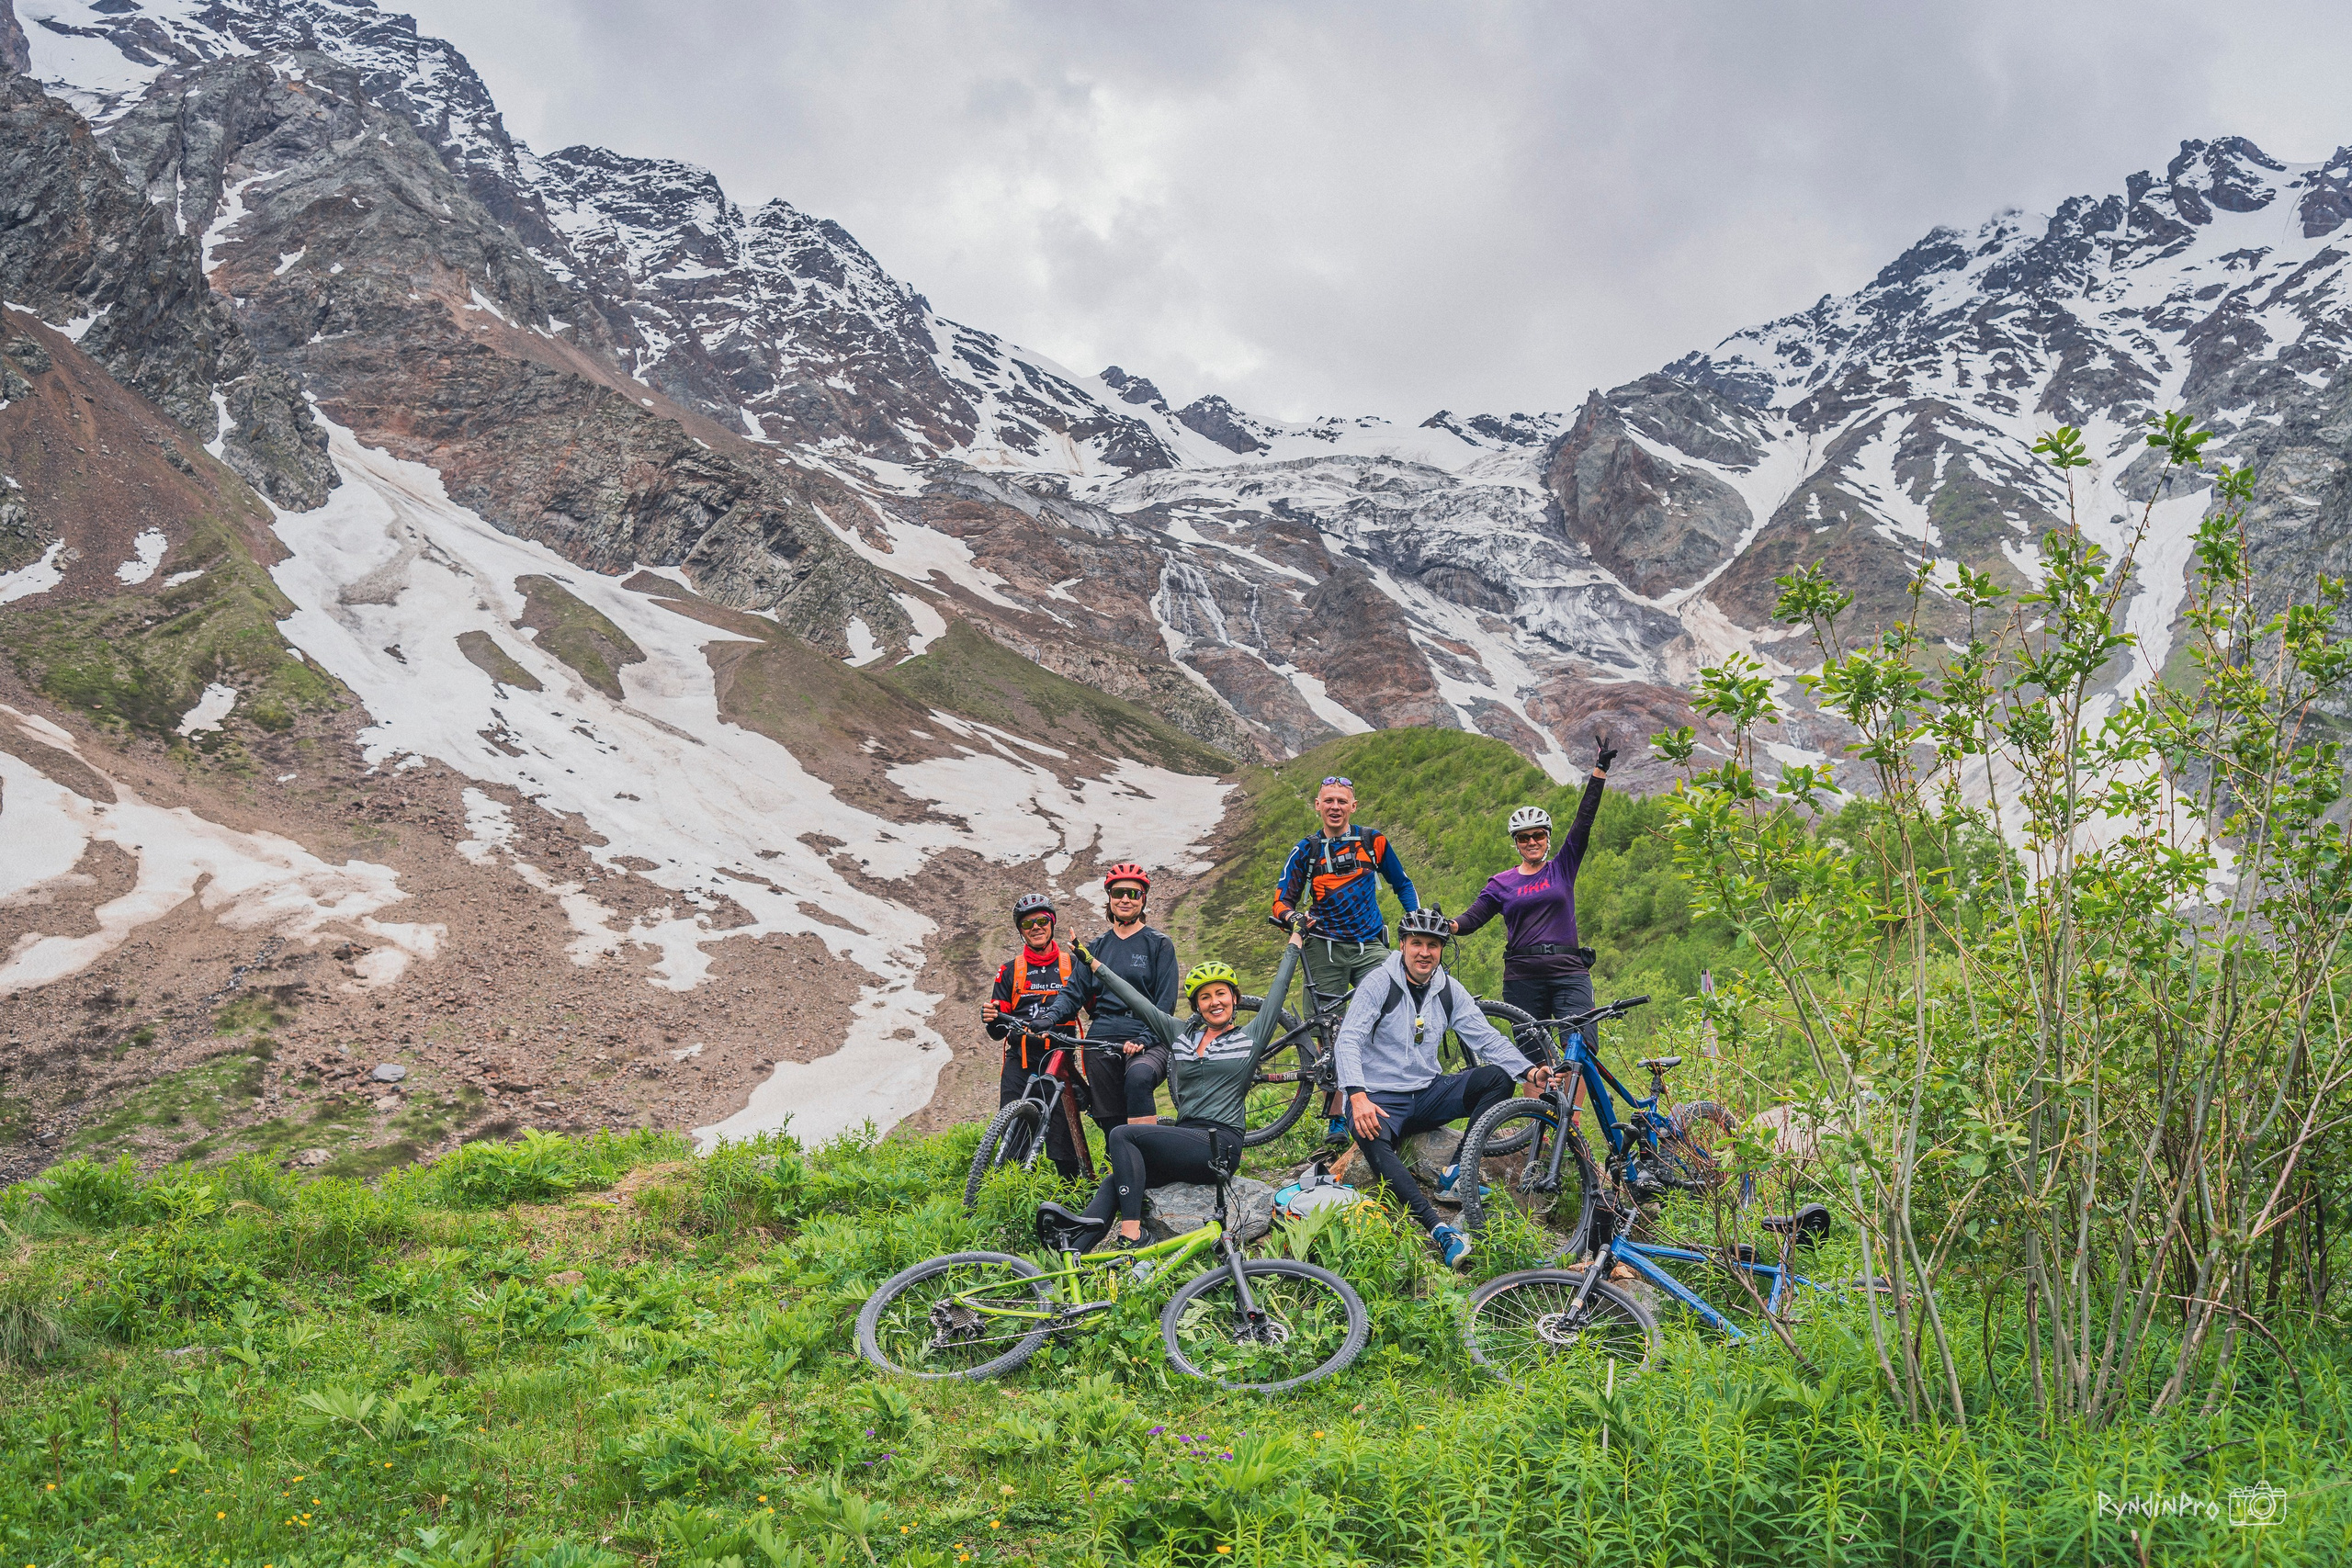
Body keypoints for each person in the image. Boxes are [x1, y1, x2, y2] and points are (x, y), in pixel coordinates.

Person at [1056, 924, 1307, 1249]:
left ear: (1235, 998)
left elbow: (1279, 987)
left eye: (1221, 994)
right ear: (1196, 1006)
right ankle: (1073, 1251)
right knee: (1117, 1179)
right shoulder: (1181, 1035)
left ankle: (1132, 1234)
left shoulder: (1250, 1038)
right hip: (1186, 1141)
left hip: (1220, 1145)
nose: (1214, 1002)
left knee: (1122, 1134)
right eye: (1205, 997)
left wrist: (1296, 939)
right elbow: (1133, 997)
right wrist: (1091, 962)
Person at [1333, 907, 1554, 1269]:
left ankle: (1455, 1174)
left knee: (1496, 1078)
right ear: (1402, 945)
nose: (1424, 952)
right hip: (1379, 1098)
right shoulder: (1379, 983)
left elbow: (1486, 1039)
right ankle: (1438, 1229)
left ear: (1441, 949)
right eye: (1416, 943)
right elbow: (1349, 1039)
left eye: (1433, 945)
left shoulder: (1448, 989)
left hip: (1426, 1094)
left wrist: (1529, 1072)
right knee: (1371, 1137)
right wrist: (1357, 1096)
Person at [1451, 733, 1617, 1077]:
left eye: (1538, 835)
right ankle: (1536, 1113)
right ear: (1516, 843)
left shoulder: (1562, 867)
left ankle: (1572, 1114)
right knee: (1533, 1063)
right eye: (1524, 837)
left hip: (1568, 972)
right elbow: (1472, 918)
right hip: (1522, 978)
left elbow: (1583, 822)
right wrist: (1447, 926)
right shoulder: (1501, 883)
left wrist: (1599, 770)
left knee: (1578, 1054)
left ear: (1547, 838)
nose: (1531, 841)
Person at [1271, 775, 1420, 1007]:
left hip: (1369, 944)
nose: (1335, 807)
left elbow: (1403, 884)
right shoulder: (1305, 850)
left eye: (1342, 801)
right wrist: (1293, 917)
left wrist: (1416, 922)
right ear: (1318, 804)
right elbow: (1281, 902)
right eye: (1329, 801)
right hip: (1323, 947)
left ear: (1353, 806)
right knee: (1325, 1023)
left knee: (1395, 1009)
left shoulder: (1373, 841)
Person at [1073, 862, 1180, 1137]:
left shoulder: (1159, 944)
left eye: (1133, 894)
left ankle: (1149, 1151)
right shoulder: (1095, 947)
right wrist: (1048, 1018)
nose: (1125, 899)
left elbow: (1166, 1003)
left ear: (1143, 899)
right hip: (1102, 1036)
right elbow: (1073, 992)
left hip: (1148, 1035)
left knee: (1138, 1077)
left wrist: (1145, 1038)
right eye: (1118, 892)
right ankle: (1119, 1161)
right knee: (1111, 1121)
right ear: (1109, 897)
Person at [984, 891, 1086, 1179]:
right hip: (1021, 1062)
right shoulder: (1009, 971)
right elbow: (997, 1032)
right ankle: (1013, 1195)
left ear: (1052, 923)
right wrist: (990, 1019)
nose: (1036, 928)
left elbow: (1094, 1005)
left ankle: (1071, 1195)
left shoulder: (1072, 964)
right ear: (1021, 931)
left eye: (1042, 921)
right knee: (1013, 1140)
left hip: (1059, 1062)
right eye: (1028, 924)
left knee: (1064, 1145)